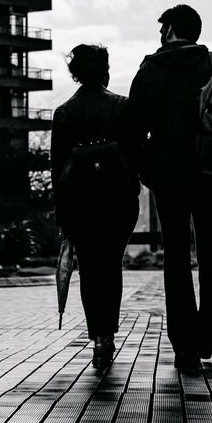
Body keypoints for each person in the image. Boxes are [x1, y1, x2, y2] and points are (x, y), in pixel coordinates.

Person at [126, 4, 212, 371]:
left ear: (170, 29)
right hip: (211, 174)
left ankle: (184, 347)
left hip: (169, 177)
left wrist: (147, 169)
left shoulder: (151, 70)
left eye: (162, 28)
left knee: (176, 256)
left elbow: (132, 131)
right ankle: (207, 336)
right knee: (211, 253)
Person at [51, 44, 139, 372]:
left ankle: (97, 338)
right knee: (111, 266)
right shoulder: (122, 107)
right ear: (105, 71)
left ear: (75, 74)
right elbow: (135, 155)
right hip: (118, 199)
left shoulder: (64, 113)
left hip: (79, 202)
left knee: (89, 269)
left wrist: (62, 215)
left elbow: (57, 169)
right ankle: (108, 335)